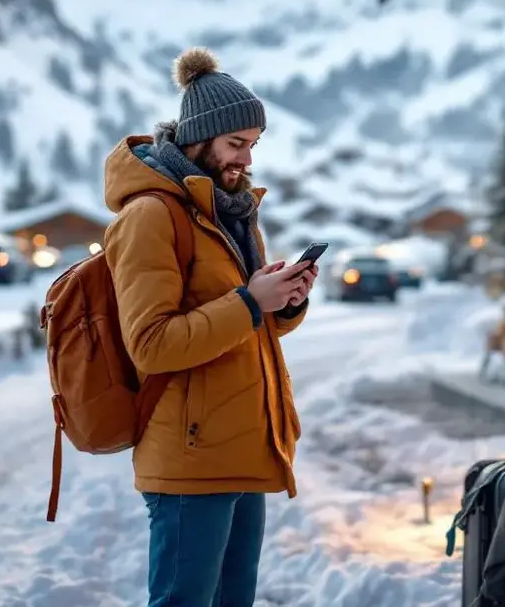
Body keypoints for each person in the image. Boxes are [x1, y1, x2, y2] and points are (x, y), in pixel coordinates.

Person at [102, 47, 318, 607]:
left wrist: (282, 302)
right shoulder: (150, 215)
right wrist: (250, 301)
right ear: (198, 139)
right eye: (235, 144)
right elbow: (152, 344)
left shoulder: (229, 212)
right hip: (190, 459)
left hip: (242, 449)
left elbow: (243, 329)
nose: (246, 159)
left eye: (253, 145)